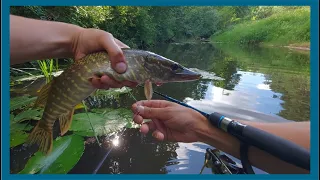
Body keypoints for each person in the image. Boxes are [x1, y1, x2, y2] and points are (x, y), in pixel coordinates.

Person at [10, 15, 310, 174]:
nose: (181, 72)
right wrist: (75, 37)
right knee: (56, 112)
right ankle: (44, 126)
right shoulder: (140, 70)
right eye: (171, 68)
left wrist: (77, 38)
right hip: (60, 99)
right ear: (149, 68)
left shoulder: (144, 74)